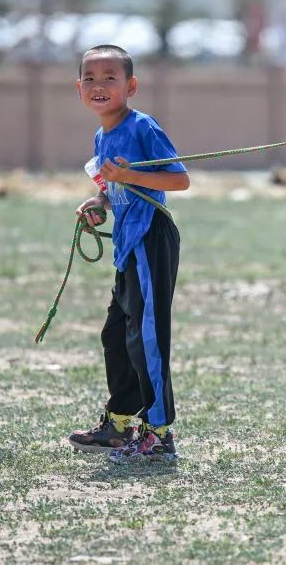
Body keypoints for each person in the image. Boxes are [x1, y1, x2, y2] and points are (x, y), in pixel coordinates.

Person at [68, 44, 190, 464]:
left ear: (131, 85)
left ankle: (158, 433)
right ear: (79, 87)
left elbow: (179, 180)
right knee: (117, 335)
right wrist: (99, 204)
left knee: (148, 338)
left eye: (109, 77)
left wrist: (128, 175)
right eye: (90, 78)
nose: (98, 86)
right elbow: (112, 186)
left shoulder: (143, 126)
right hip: (127, 246)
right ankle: (119, 424)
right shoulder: (102, 135)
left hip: (151, 238)